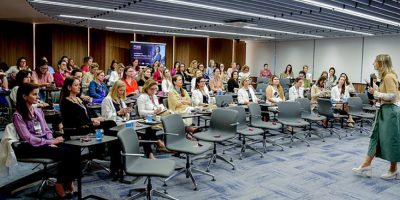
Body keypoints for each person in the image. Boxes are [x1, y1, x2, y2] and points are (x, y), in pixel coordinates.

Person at [13, 83, 79, 198]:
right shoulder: (18, 115)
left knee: (74, 148)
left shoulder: (38, 111)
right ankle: (59, 184)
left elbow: (47, 130)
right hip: (30, 146)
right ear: (24, 96)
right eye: (34, 94)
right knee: (65, 153)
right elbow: (27, 138)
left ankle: (68, 180)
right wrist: (49, 143)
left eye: (37, 94)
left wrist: (51, 140)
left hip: (44, 141)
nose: (38, 97)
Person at [60, 77, 120, 178]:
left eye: (79, 84)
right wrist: (92, 123)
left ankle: (115, 163)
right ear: (69, 87)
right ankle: (111, 160)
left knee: (111, 123)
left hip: (87, 125)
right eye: (76, 85)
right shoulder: (66, 102)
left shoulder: (79, 99)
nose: (79, 87)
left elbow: (86, 116)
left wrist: (94, 119)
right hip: (76, 129)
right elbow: (75, 121)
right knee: (110, 127)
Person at [352, 54, 400, 180]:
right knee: (375, 137)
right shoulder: (386, 76)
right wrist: (376, 89)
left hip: (390, 111)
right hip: (384, 110)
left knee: (390, 140)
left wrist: (376, 92)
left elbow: (392, 96)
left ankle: (394, 169)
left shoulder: (389, 77)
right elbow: (386, 93)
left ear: (381, 63)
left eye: (375, 61)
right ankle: (366, 165)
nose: (373, 63)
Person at [136, 79, 167, 159]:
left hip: (155, 117)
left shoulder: (154, 96)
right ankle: (158, 144)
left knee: (170, 118)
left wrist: (160, 108)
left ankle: (158, 144)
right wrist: (153, 111)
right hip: (145, 119)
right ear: (146, 88)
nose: (154, 91)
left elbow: (157, 106)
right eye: (152, 89)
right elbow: (141, 112)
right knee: (146, 129)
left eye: (155, 89)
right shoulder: (142, 97)